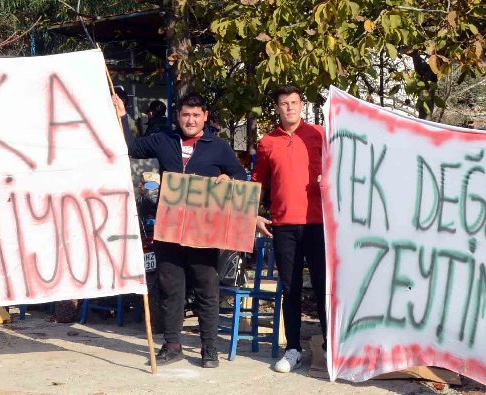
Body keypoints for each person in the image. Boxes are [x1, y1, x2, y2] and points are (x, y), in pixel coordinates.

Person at [114, 92, 247, 368]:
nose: (191, 120)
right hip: (171, 228)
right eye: (186, 114)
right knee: (171, 288)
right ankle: (172, 345)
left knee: (206, 290)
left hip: (204, 232)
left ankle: (209, 349)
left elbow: (239, 176)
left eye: (196, 115)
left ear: (205, 117)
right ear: (178, 116)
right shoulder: (165, 141)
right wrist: (123, 116)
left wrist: (227, 178)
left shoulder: (218, 146)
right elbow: (131, 147)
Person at [251, 85, 328, 373]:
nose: (289, 108)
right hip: (283, 226)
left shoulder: (320, 135)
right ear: (276, 108)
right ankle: (293, 348)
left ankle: (331, 348)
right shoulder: (267, 142)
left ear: (302, 105)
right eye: (284, 104)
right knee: (291, 288)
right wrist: (254, 215)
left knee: (323, 288)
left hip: (319, 224)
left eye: (294, 103)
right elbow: (259, 182)